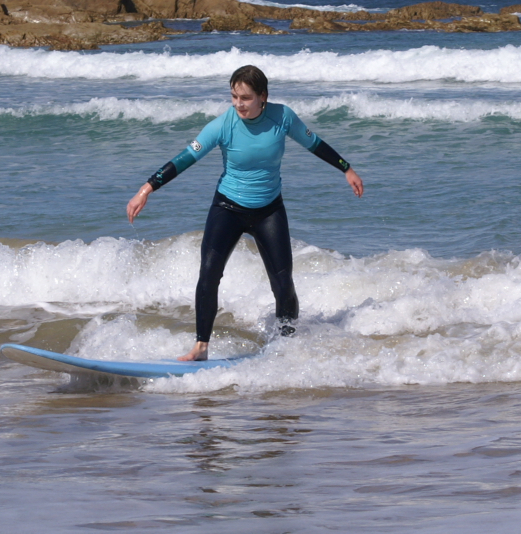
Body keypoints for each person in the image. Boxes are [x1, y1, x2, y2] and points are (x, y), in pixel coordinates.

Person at [126, 65, 364, 361]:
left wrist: (347, 169)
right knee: (209, 274)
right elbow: (185, 158)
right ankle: (201, 347)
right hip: (227, 208)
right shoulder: (223, 125)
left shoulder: (282, 117)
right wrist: (146, 189)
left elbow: (314, 144)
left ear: (262, 97)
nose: (238, 103)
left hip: (269, 210)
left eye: (246, 97)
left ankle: (286, 347)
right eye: (234, 96)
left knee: (283, 282)